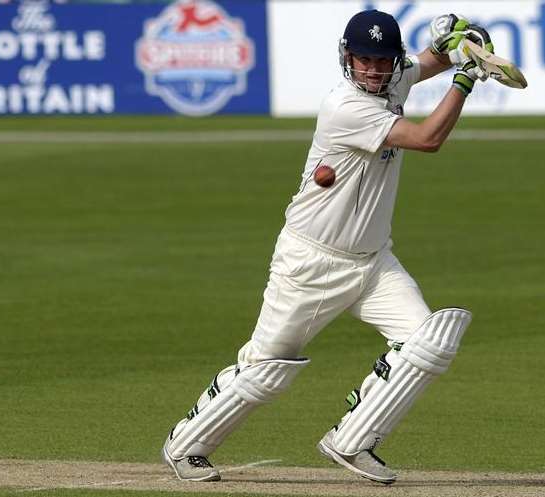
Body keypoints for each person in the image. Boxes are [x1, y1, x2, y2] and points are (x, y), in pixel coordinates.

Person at [161, 10, 494, 485]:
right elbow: (427, 138)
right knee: (266, 370)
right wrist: (465, 77)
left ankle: (353, 440)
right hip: (312, 262)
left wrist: (457, 44)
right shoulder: (345, 106)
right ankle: (186, 444)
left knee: (428, 340)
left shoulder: (393, 78)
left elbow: (426, 63)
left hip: (374, 261)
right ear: (347, 57)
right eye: (363, 60)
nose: (373, 71)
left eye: (382, 61)